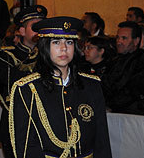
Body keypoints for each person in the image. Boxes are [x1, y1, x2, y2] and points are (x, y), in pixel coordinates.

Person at [9, 16, 112, 158]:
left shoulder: (91, 85)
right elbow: (26, 147)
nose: (64, 48)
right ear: (45, 46)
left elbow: (102, 140)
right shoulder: (27, 89)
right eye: (56, 42)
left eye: (69, 42)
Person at [0, 5, 45, 158]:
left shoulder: (49, 54)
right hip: (17, 123)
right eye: (35, 27)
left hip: (46, 125)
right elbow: (8, 91)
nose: (39, 31)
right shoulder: (7, 55)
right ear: (21, 31)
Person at [101, 21, 144, 112]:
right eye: (118, 37)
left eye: (124, 38)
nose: (119, 42)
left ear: (136, 41)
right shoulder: (113, 61)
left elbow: (134, 89)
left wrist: (112, 105)